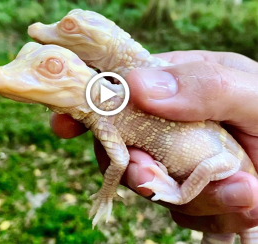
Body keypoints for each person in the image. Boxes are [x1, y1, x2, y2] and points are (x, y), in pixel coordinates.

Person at [50, 50, 258, 233]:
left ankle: (181, 195)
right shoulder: (108, 104)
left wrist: (106, 192)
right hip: (219, 160)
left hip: (222, 161)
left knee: (230, 216)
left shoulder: (110, 106)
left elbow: (121, 160)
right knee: (222, 227)